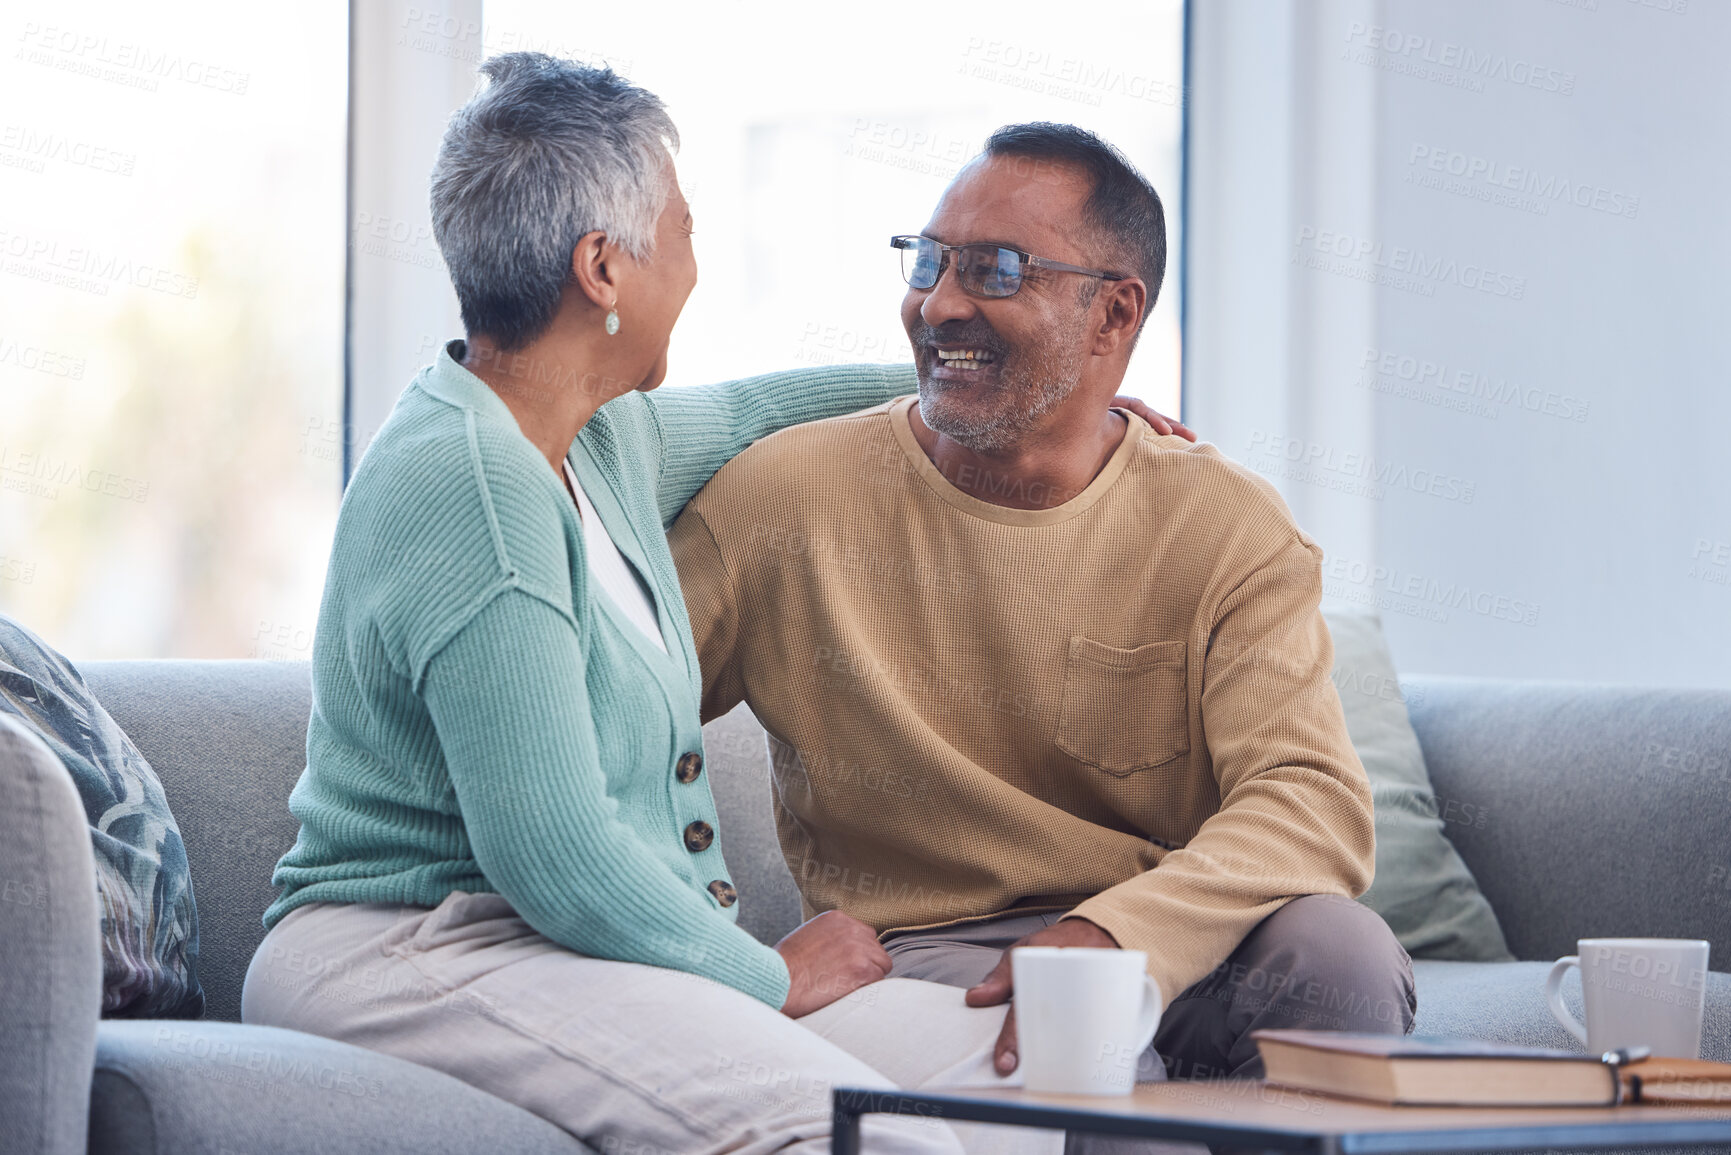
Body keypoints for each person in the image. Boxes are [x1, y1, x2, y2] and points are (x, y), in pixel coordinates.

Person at [241, 56, 1186, 1154]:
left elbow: (756, 412)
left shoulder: (592, 438)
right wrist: (760, 973)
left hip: (557, 949)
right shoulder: (473, 487)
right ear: (603, 267)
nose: (695, 265)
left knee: (1052, 1078)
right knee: (881, 1139)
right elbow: (550, 850)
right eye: (682, 232)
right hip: (415, 953)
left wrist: (1030, 391)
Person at [670, 123, 1416, 1092]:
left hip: (1167, 922)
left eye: (995, 271)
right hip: (932, 951)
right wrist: (711, 950)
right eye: (929, 261)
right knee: (1078, 1046)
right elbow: (612, 718)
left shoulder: (1228, 526)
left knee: (1341, 955)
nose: (937, 303)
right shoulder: (783, 500)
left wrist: (1113, 932)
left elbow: (1311, 803)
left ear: (1113, 316)